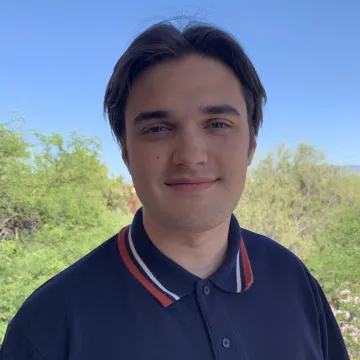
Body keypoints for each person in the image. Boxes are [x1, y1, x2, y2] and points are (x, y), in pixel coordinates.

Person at [0, 21, 350, 360]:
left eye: (217, 124)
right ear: (125, 153)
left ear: (251, 146)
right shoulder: (49, 329)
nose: (191, 156)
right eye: (157, 128)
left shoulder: (293, 281)